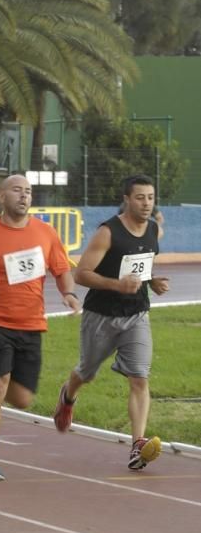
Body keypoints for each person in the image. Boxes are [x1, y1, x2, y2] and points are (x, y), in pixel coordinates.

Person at [0, 174, 81, 480]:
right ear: (1, 196)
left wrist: (70, 294)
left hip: (31, 323)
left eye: (28, 192)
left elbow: (62, 270)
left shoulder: (46, 233)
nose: (24, 196)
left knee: (22, 398)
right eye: (17, 191)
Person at [53, 174, 170, 470]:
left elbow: (142, 264)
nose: (146, 203)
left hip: (137, 315)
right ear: (127, 199)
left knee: (140, 378)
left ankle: (137, 445)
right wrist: (118, 285)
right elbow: (81, 274)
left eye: (151, 197)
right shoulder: (108, 232)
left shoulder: (153, 230)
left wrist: (152, 281)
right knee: (86, 372)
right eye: (140, 197)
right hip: (101, 316)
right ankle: (68, 396)